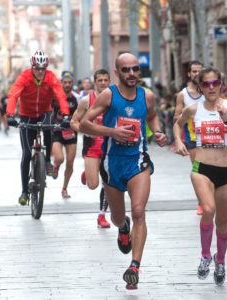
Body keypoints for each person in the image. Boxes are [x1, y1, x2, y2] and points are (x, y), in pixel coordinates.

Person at [79, 53, 167, 289]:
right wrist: (112, 132)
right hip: (112, 164)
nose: (131, 74)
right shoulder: (109, 95)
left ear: (139, 71)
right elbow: (84, 124)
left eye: (135, 69)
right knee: (118, 217)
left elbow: (152, 117)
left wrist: (158, 133)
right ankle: (123, 227)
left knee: (139, 211)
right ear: (117, 72)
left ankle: (134, 266)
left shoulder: (147, 96)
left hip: (137, 162)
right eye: (126, 70)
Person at [173, 67, 227, 286]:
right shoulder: (193, 108)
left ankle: (221, 260)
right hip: (202, 168)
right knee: (208, 209)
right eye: (205, 84)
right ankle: (206, 255)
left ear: (221, 84)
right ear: (200, 87)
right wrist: (179, 142)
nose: (211, 88)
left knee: (223, 223)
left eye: (214, 83)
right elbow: (177, 124)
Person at [6, 50, 71, 206]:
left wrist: (66, 115)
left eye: (43, 69)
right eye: (37, 68)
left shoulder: (51, 77)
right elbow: (13, 94)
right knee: (27, 154)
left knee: (49, 128)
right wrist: (9, 115)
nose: (40, 72)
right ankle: (23, 191)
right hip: (26, 114)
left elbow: (60, 95)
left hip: (44, 111)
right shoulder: (24, 77)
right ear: (32, 67)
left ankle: (47, 160)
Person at [70, 69, 112, 228]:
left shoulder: (113, 99)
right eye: (99, 80)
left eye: (105, 80)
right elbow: (73, 121)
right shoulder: (86, 101)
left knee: (108, 183)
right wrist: (87, 131)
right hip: (92, 147)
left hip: (109, 146)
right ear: (95, 82)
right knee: (93, 184)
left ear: (109, 82)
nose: (102, 83)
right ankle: (88, 173)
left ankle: (102, 215)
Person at [174, 60, 205, 215]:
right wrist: (188, 114)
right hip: (193, 138)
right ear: (189, 74)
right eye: (194, 71)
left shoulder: (210, 90)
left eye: (200, 71)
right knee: (198, 170)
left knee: (212, 170)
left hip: (210, 137)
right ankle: (201, 202)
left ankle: (209, 198)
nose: (197, 74)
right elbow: (176, 118)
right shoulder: (183, 95)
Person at [50, 71, 79, 199]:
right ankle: (56, 166)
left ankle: (64, 188)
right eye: (65, 82)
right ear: (61, 83)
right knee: (60, 158)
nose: (67, 85)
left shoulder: (76, 98)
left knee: (70, 163)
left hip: (71, 133)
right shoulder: (55, 97)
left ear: (73, 83)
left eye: (70, 83)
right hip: (57, 131)